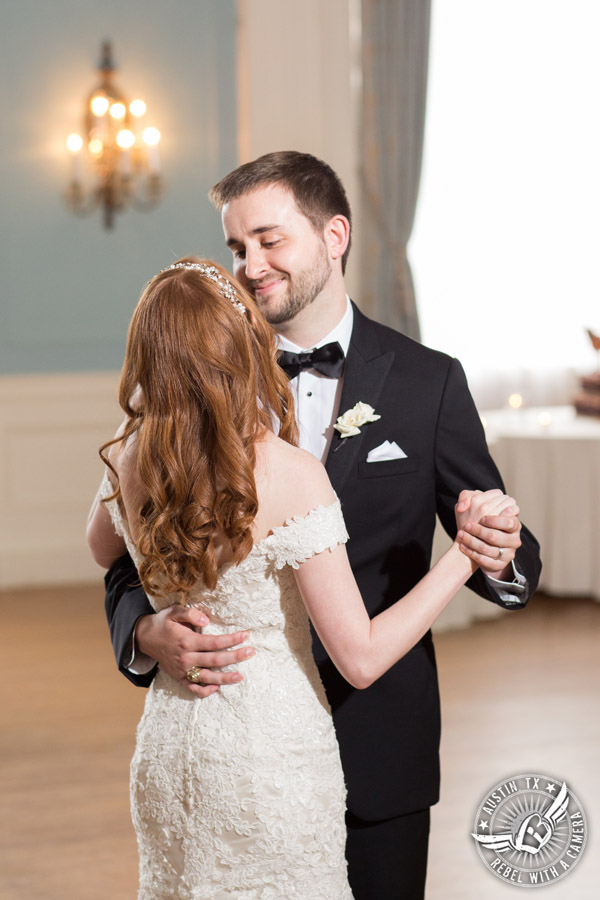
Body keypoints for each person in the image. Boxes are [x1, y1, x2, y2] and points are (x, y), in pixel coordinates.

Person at [103, 153, 542, 900]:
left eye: (270, 240)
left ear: (334, 235)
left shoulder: (427, 381)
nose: (250, 264)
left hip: (381, 746)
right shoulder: (192, 386)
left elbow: (507, 542)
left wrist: (495, 548)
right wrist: (145, 632)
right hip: (233, 750)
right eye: (237, 248)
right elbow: (125, 554)